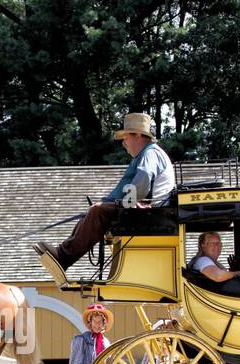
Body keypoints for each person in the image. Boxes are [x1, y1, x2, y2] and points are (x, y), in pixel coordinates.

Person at [34, 113, 175, 274]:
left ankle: (63, 257)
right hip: (148, 211)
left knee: (97, 211)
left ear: (137, 135)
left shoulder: (150, 153)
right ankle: (61, 254)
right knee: (92, 212)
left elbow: (142, 181)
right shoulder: (147, 154)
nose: (123, 143)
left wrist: (121, 204)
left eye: (126, 137)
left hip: (152, 213)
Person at [187, 231, 240, 298]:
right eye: (212, 243)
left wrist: (232, 270)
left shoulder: (215, 263)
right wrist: (236, 273)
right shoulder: (203, 260)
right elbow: (218, 276)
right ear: (203, 246)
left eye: (219, 243)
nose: (217, 246)